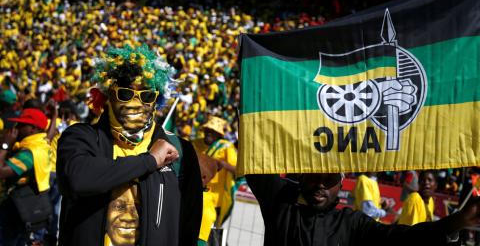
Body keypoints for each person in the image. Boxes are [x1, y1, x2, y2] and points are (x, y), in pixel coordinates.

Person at [56, 44, 203, 246]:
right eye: (125, 94)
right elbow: (78, 179)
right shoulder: (82, 137)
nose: (136, 102)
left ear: (156, 101)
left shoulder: (180, 150)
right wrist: (149, 161)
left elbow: (188, 226)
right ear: (107, 96)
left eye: (147, 95)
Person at [246, 172, 480, 246]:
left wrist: (454, 223)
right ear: (302, 176)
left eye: (329, 180)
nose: (320, 185)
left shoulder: (351, 222)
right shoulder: (281, 203)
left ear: (341, 183)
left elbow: (401, 238)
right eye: (314, 176)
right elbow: (255, 159)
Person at [0, 108, 52, 245]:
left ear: (33, 129)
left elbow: (1, 172)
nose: (16, 127)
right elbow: (50, 134)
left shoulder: (29, 153)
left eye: (21, 125)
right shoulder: (42, 144)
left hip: (14, 208)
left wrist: (5, 145)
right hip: (26, 206)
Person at [197, 116, 237, 246]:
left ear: (219, 135)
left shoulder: (226, 147)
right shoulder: (195, 143)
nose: (209, 133)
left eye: (213, 131)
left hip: (215, 201)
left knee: (209, 235)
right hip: (197, 196)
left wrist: (222, 164)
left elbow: (238, 170)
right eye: (207, 129)